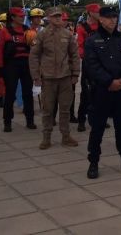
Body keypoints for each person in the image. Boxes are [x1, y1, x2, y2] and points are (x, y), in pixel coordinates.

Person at [84, 6, 121, 179]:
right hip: (101, 91)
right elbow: (91, 66)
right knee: (98, 128)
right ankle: (93, 162)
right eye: (109, 18)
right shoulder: (92, 41)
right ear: (100, 19)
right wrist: (109, 81)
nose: (113, 21)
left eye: (115, 18)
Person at [30, 8, 81, 150]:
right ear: (48, 18)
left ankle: (66, 136)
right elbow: (33, 56)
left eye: (59, 16)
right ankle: (46, 137)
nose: (58, 19)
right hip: (48, 78)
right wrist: (36, 76)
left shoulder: (68, 34)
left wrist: (75, 74)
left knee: (65, 109)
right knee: (47, 109)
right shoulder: (42, 35)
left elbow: (75, 55)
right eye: (54, 16)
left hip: (65, 77)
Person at [0, 7, 36, 132]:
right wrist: (0, 67)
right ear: (12, 17)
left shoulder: (27, 30)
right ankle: (7, 122)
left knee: (28, 94)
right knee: (10, 93)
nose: (22, 17)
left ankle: (30, 120)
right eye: (19, 16)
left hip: (26, 64)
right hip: (11, 65)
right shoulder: (4, 32)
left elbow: (34, 48)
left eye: (23, 15)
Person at [76, 3, 100, 132]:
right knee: (86, 93)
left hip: (101, 64)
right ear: (90, 12)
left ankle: (98, 118)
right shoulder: (82, 27)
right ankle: (81, 120)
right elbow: (79, 45)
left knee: (100, 92)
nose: (99, 14)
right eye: (97, 11)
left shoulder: (102, 26)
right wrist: (86, 57)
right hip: (88, 64)